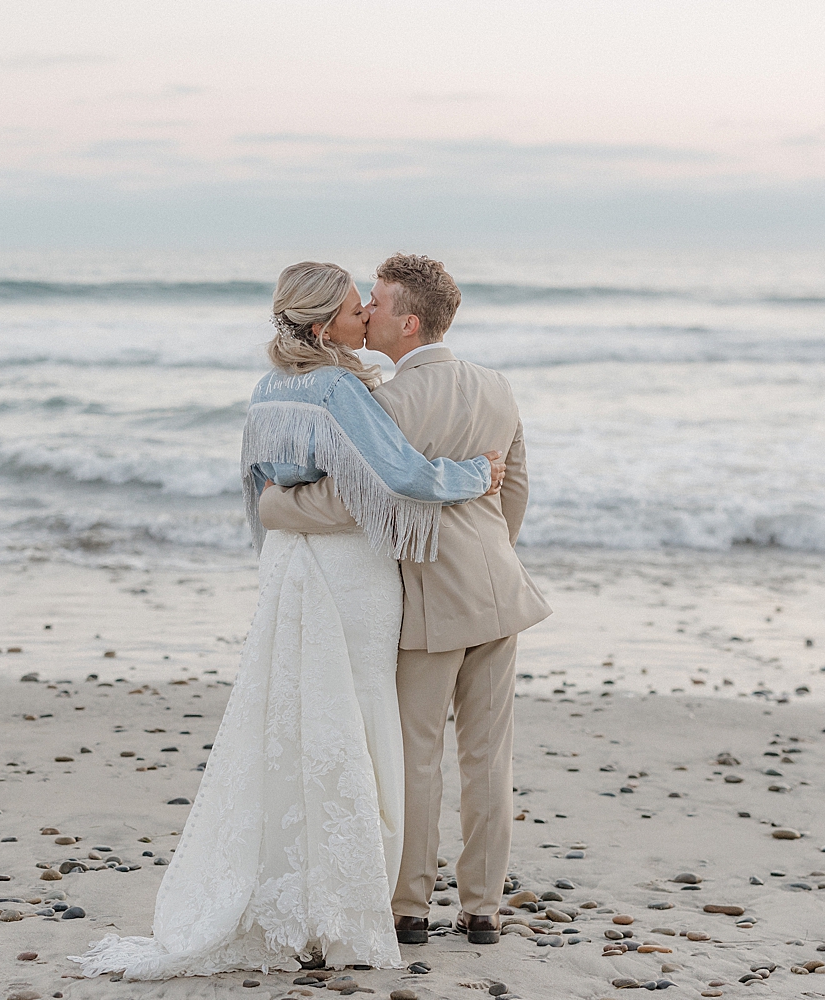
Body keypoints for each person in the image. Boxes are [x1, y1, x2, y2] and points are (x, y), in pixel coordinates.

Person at [67, 261, 504, 979]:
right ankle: (343, 899)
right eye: (354, 308)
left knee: (293, 720)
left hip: (288, 566)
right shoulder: (336, 386)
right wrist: (473, 476)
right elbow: (401, 474)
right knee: (357, 720)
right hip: (348, 572)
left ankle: (291, 890)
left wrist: (276, 538)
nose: (367, 313)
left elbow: (258, 489)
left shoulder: (268, 388)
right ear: (326, 323)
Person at [260, 253, 552, 946]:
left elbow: (350, 500)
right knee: (490, 757)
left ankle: (411, 907)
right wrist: (492, 555)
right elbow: (514, 492)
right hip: (501, 590)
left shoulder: (385, 402)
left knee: (417, 753)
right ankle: (483, 908)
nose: (369, 312)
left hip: (430, 599)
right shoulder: (495, 386)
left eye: (380, 302)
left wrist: (277, 506)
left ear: (409, 321)